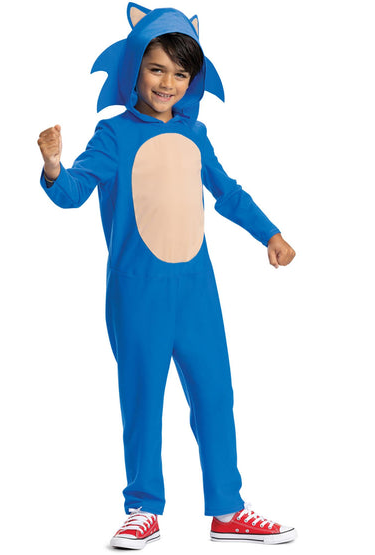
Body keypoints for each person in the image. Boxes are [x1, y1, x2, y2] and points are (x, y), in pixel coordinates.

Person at [37, 2, 297, 549]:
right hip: (138, 293)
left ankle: (228, 509)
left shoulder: (195, 133)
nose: (167, 83)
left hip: (198, 291)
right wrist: (54, 167)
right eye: (156, 69)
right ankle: (142, 508)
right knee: (143, 398)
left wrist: (270, 234)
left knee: (215, 396)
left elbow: (228, 193)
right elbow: (73, 192)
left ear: (192, 81)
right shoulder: (113, 135)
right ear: (134, 67)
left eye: (180, 74)